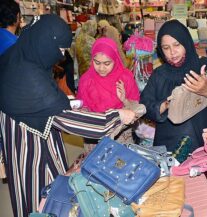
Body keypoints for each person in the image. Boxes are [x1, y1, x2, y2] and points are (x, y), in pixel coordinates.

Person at [0, 14, 136, 217]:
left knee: (25, 196)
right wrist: (116, 116)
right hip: (35, 151)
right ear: (47, 42)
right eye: (60, 50)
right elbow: (65, 119)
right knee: (48, 200)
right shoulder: (31, 81)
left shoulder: (17, 56)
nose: (61, 56)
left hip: (15, 143)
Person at [140, 20, 207, 153]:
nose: (172, 52)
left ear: (186, 42)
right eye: (166, 48)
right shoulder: (159, 74)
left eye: (177, 45)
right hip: (167, 150)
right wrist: (166, 105)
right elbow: (145, 105)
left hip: (203, 148)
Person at [76, 37, 140, 151]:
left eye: (107, 63)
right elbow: (82, 108)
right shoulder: (86, 79)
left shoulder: (125, 77)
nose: (101, 68)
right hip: (94, 137)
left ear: (115, 59)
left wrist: (124, 100)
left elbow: (136, 111)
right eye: (97, 62)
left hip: (120, 136)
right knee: (94, 166)